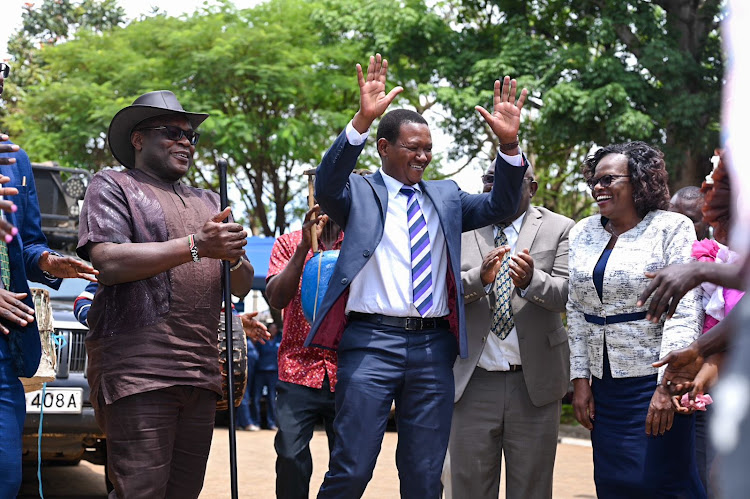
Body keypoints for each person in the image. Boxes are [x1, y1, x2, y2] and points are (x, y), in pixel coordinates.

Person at [306, 54, 528, 498]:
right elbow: (328, 185)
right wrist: (362, 121)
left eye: (428, 148)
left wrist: (508, 148)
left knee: (426, 476)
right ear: (384, 148)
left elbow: (501, 206)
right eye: (413, 147)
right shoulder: (360, 193)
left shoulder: (445, 197)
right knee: (351, 469)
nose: (424, 156)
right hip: (371, 343)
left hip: (432, 348)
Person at [76, 90, 254, 498]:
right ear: (138, 139)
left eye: (191, 136)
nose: (185, 142)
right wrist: (197, 245)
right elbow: (108, 262)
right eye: (171, 132)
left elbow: (241, 285)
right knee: (141, 491)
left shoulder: (210, 202)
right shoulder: (113, 185)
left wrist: (233, 257)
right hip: (139, 371)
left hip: (201, 372)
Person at [567, 141, 705, 498]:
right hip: (604, 388)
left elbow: (685, 309)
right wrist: (580, 379)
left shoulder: (672, 228)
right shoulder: (582, 232)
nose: (598, 187)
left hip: (653, 382)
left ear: (639, 181)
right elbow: (576, 310)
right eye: (594, 180)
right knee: (613, 484)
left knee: (661, 482)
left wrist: (667, 385)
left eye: (609, 179)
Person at [444, 162, 574, 499]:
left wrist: (532, 281)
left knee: (531, 489)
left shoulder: (560, 228)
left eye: (510, 180)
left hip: (535, 386)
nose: (498, 186)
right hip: (472, 382)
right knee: (467, 488)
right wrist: (479, 280)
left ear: (531, 188)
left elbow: (568, 296)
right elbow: (439, 292)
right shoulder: (459, 227)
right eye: (490, 179)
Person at [1, 61, 96, 498]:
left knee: (6, 476)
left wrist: (48, 262)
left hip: (5, 353)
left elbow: (28, 243)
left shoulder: (14, 159)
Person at [265, 204, 343, 499]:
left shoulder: (360, 242)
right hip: (297, 367)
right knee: (289, 454)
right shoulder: (287, 243)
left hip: (346, 368)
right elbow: (276, 297)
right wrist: (302, 249)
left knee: (347, 461)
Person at [251, 322, 281, 430]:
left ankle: (272, 423)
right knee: (256, 398)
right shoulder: (262, 340)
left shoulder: (279, 340)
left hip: (273, 373)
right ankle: (256, 422)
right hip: (260, 372)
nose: (273, 331)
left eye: (275, 329)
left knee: (272, 399)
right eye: (271, 328)